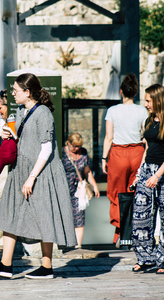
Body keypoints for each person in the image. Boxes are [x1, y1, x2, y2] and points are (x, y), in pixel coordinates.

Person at [0, 73, 77, 279]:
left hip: (40, 172)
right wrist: (11, 135)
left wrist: (32, 177)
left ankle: (46, 266)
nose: (13, 93)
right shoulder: (21, 111)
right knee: (9, 213)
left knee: (44, 216)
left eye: (16, 90)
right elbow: (26, 141)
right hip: (20, 170)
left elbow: (47, 148)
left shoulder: (43, 113)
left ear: (27, 92)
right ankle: (5, 264)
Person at [102, 73, 148, 245]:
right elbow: (145, 135)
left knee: (116, 193)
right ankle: (132, 233)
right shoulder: (142, 111)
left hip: (118, 154)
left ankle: (119, 234)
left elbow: (109, 137)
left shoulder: (112, 111)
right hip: (137, 153)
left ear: (121, 91)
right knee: (134, 193)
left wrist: (103, 158)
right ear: (135, 93)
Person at [131, 84, 164, 274]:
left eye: (148, 100)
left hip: (161, 171)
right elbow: (147, 149)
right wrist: (140, 173)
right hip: (147, 171)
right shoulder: (149, 120)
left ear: (158, 100)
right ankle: (146, 258)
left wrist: (157, 175)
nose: (145, 104)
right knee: (140, 217)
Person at [62, 133, 100, 249]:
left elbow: (87, 171)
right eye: (74, 146)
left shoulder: (83, 153)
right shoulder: (61, 152)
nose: (76, 148)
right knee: (64, 214)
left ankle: (78, 245)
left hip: (78, 189)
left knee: (79, 215)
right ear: (68, 143)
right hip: (63, 188)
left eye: (78, 146)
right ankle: (64, 244)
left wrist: (95, 186)